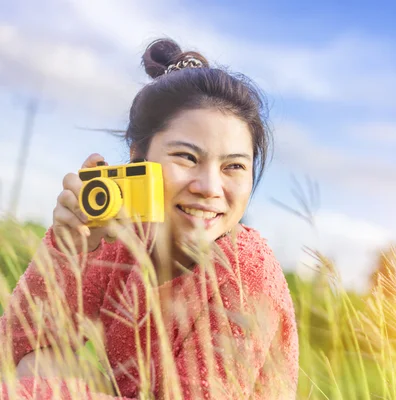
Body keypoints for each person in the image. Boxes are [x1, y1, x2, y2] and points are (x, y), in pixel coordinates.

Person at [0, 38, 299, 399]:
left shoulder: (245, 268)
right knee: (39, 364)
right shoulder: (120, 237)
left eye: (233, 166)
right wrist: (68, 251)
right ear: (137, 157)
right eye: (187, 157)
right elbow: (14, 351)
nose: (209, 187)